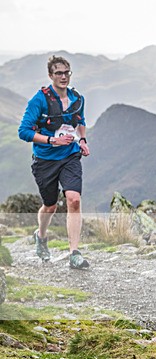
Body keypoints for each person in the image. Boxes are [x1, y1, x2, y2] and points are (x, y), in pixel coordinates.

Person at [18, 55, 90, 269]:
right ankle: (41, 236)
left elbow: (80, 121)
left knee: (74, 200)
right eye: (58, 73)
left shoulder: (77, 98)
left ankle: (74, 253)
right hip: (45, 159)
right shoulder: (39, 100)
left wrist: (83, 140)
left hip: (70, 155)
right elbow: (24, 131)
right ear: (50, 75)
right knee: (50, 206)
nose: (63, 76)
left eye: (66, 72)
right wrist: (52, 140)